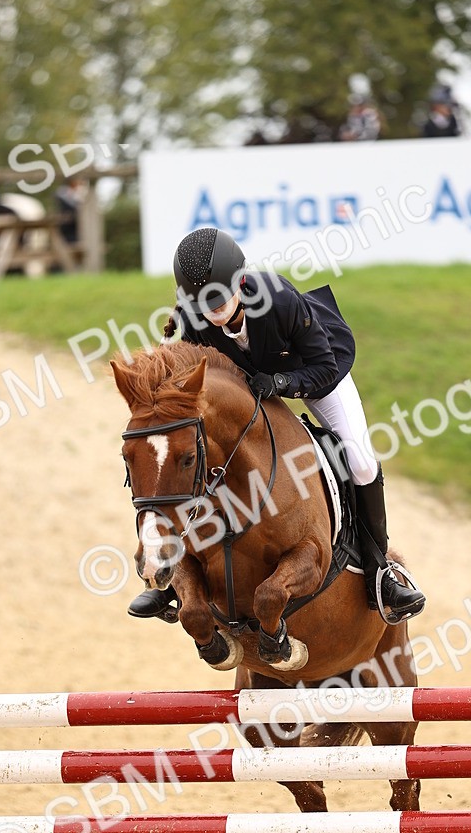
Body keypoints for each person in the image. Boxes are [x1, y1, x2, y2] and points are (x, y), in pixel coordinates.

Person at [128, 227, 426, 626]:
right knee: (192, 457)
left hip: (315, 373)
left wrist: (283, 383)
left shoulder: (279, 300)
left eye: (219, 299)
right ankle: (170, 578)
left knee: (360, 462)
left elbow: (324, 366)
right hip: (250, 388)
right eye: (204, 304)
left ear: (241, 281)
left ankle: (380, 573)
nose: (213, 312)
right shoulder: (195, 318)